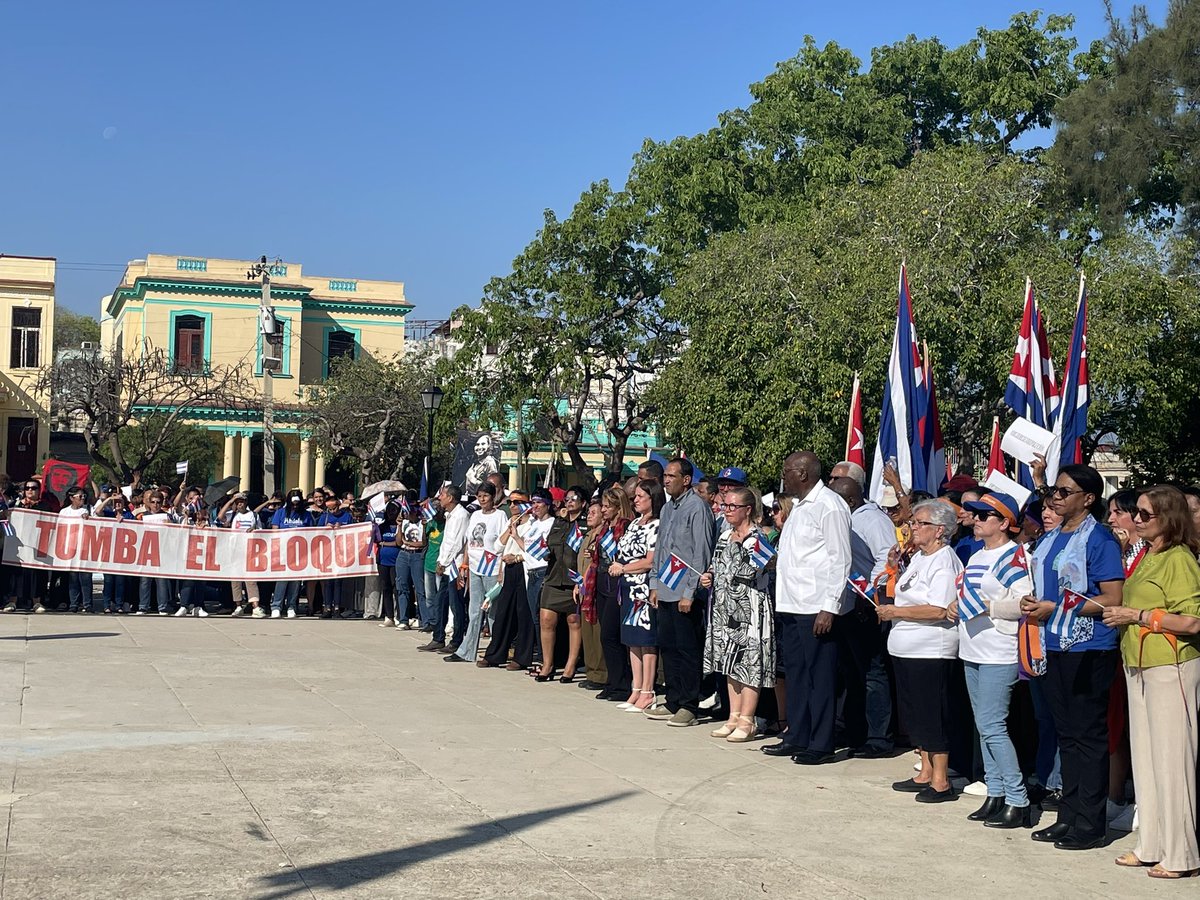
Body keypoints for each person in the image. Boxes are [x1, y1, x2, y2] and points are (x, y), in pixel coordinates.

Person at [1020, 464, 1125, 850]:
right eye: (1054, 491)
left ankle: (1091, 822)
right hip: (1052, 643)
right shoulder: (1051, 537)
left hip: (1088, 645)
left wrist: (1058, 609)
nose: (1056, 497)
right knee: (1066, 733)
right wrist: (1033, 603)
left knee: (1087, 734)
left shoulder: (1099, 539)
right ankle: (1068, 814)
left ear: (1088, 498)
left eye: (1065, 491)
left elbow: (1112, 598)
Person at [1101, 485, 1200, 879]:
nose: (1136, 519)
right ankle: (1152, 845)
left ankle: (1182, 854)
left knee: (1173, 762)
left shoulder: (1180, 559)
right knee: (1145, 760)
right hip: (1138, 665)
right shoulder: (1146, 555)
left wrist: (1138, 616)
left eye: (1145, 514)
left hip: (1171, 666)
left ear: (1168, 518)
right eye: (1136, 513)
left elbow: (1192, 620)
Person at [950, 492, 1034, 828]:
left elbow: (1025, 601)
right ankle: (995, 791)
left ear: (1003, 523)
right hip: (972, 647)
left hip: (1000, 649)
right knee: (983, 726)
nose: (977, 520)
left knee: (993, 726)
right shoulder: (977, 556)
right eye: (975, 515)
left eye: (985, 515)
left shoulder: (1015, 556)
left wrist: (989, 608)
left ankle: (1018, 798)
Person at [763, 452, 851, 766]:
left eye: (786, 470)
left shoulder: (829, 505)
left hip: (815, 605)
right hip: (791, 603)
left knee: (820, 676)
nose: (783, 476)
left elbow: (839, 558)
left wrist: (829, 607)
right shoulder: (800, 506)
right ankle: (797, 734)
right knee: (797, 675)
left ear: (802, 473)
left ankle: (822, 742)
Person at [882, 499, 963, 802]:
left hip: (931, 649)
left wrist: (896, 613)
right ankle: (925, 771)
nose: (912, 528)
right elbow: (903, 593)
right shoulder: (918, 557)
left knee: (932, 714)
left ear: (940, 530)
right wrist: (893, 567)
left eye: (920, 523)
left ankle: (941, 779)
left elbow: (940, 609)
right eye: (913, 523)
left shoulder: (944, 560)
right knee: (915, 713)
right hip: (907, 648)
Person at [828, 475, 896, 758]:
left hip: (866, 605)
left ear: (852, 500)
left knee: (872, 673)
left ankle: (879, 737)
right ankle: (854, 729)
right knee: (849, 671)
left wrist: (866, 593)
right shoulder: (841, 518)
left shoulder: (872, 520)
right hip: (843, 604)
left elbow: (886, 557)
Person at [701, 485, 775, 742]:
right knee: (729, 662)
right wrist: (709, 576)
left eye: (733, 506)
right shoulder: (724, 536)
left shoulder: (757, 539)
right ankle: (733, 716)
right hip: (724, 607)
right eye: (725, 506)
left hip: (750, 608)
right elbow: (716, 564)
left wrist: (742, 546)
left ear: (748, 509)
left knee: (748, 663)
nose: (727, 511)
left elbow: (752, 571)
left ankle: (747, 719)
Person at [645, 458, 715, 727]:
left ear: (686, 480)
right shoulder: (667, 509)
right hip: (665, 587)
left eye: (671, 476)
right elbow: (662, 548)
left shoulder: (697, 507)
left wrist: (690, 591)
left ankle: (689, 704)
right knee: (669, 646)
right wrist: (654, 583)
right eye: (664, 475)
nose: (666, 480)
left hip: (686, 591)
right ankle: (673, 699)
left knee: (687, 649)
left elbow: (701, 553)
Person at [610, 481, 662, 711]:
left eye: (641, 496)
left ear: (653, 498)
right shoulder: (632, 524)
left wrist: (624, 568)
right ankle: (636, 688)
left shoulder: (657, 525)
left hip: (644, 586)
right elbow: (622, 552)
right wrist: (617, 564)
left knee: (646, 641)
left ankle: (648, 690)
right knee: (632, 640)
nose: (636, 500)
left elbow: (650, 561)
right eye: (635, 497)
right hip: (627, 586)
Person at [446, 484, 504, 663]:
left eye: (486, 495)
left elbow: (503, 543)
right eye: (479, 496)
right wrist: (464, 565)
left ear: (493, 497)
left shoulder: (500, 516)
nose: (483, 499)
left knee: (492, 612)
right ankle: (467, 651)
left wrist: (501, 570)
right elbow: (468, 542)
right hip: (475, 567)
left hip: (492, 568)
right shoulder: (475, 515)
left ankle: (495, 652)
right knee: (474, 611)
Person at [535, 487, 586, 682]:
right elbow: (550, 544)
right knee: (546, 619)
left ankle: (570, 665)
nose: (570, 501)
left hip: (574, 578)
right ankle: (548, 664)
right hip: (554, 576)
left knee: (574, 621)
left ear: (583, 502)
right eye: (567, 498)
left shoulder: (585, 523)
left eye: (574, 498)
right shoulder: (559, 522)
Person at [481, 489, 536, 671]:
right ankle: (495, 654)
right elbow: (497, 546)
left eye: (517, 502)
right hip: (508, 569)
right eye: (511, 502)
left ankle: (521, 657)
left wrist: (517, 557)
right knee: (503, 613)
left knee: (523, 614)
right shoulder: (511, 522)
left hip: (524, 569)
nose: (513, 506)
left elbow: (531, 550)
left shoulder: (533, 525)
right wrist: (510, 527)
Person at [593, 488, 634, 701]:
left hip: (616, 583)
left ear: (618, 507)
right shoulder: (604, 528)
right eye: (603, 505)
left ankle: (621, 684)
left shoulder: (625, 527)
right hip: (601, 581)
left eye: (607, 506)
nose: (603, 509)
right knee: (606, 635)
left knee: (611, 635)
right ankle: (612, 681)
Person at [420, 483, 469, 654]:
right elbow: (446, 542)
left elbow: (457, 543)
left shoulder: (461, 516)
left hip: (455, 566)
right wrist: (441, 561)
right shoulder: (449, 515)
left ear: (450, 498)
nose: (439, 497)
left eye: (442, 495)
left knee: (456, 605)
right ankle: (438, 637)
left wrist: (444, 562)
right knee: (441, 602)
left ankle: (457, 640)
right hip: (446, 565)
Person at [575, 499, 607, 690]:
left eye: (594, 512)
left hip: (595, 588)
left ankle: (601, 674)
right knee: (587, 633)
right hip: (583, 588)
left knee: (597, 632)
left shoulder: (602, 536)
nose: (590, 516)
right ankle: (591, 670)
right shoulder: (587, 535)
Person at [56, 487, 93, 613]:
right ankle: (73, 603)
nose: (83, 498)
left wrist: (89, 518)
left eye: (84, 496)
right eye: (80, 496)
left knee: (86, 577)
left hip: (85, 547)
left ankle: (87, 604)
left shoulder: (88, 510)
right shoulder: (64, 512)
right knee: (73, 578)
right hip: (70, 547)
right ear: (72, 498)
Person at [316, 492, 353, 618]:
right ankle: (327, 607)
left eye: (335, 508)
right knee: (328, 582)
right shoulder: (324, 517)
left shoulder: (347, 516)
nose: (333, 511)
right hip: (327, 552)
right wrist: (326, 528)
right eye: (330, 509)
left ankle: (337, 608)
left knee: (338, 581)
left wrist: (342, 527)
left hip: (342, 552)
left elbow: (354, 531)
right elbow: (316, 533)